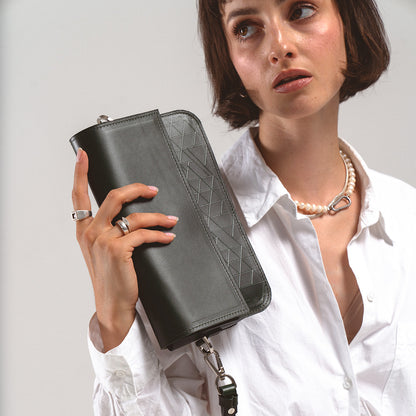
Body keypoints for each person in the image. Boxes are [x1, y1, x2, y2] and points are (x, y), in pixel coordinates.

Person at [71, 0, 416, 414]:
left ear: (349, 21)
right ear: (229, 56)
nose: (280, 46)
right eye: (246, 28)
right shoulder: (176, 235)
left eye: (302, 11)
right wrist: (115, 322)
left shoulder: (408, 216)